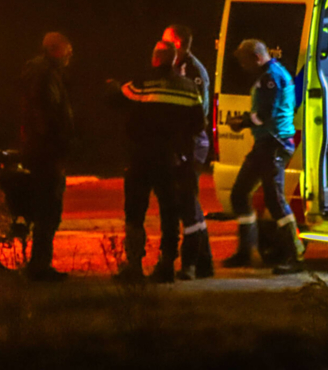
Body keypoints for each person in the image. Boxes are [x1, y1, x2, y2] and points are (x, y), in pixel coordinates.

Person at [108, 40, 205, 283]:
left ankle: (134, 266)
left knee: (135, 212)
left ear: (154, 59)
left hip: (141, 158)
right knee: (170, 213)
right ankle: (167, 265)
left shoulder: (140, 84)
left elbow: (117, 102)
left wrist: (113, 88)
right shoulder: (188, 88)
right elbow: (199, 125)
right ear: (174, 61)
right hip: (172, 161)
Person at [223, 39, 304, 275]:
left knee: (275, 200)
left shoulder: (269, 78)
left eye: (244, 60)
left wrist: (243, 122)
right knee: (240, 193)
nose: (242, 65)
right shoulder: (272, 74)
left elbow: (265, 114)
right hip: (266, 144)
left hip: (273, 144)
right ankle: (246, 250)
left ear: (256, 57)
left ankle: (295, 253)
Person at [19, 32, 75, 281]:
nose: (69, 56)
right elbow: (48, 114)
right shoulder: (46, 75)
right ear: (56, 50)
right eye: (67, 51)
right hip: (46, 151)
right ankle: (40, 266)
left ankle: (39, 263)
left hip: (37, 148)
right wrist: (58, 144)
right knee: (49, 209)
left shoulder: (36, 72)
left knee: (44, 207)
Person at [162, 24, 213, 280]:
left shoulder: (193, 72)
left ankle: (191, 264)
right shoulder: (174, 69)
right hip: (181, 145)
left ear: (178, 44)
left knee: (187, 204)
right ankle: (204, 263)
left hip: (191, 146)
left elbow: (198, 115)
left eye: (165, 40)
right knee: (189, 202)